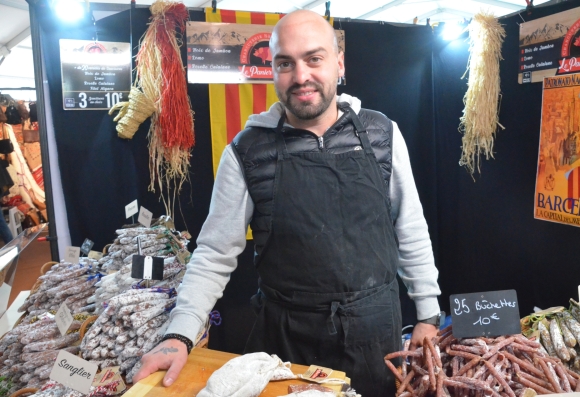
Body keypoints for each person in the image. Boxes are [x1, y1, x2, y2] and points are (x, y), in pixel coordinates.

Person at [134, 10, 441, 397]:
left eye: (314, 59)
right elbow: (213, 253)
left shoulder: (382, 134)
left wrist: (428, 314)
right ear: (271, 69)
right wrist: (179, 333)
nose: (301, 77)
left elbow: (410, 230)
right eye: (285, 63)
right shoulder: (246, 151)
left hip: (375, 337)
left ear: (339, 62)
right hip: (286, 343)